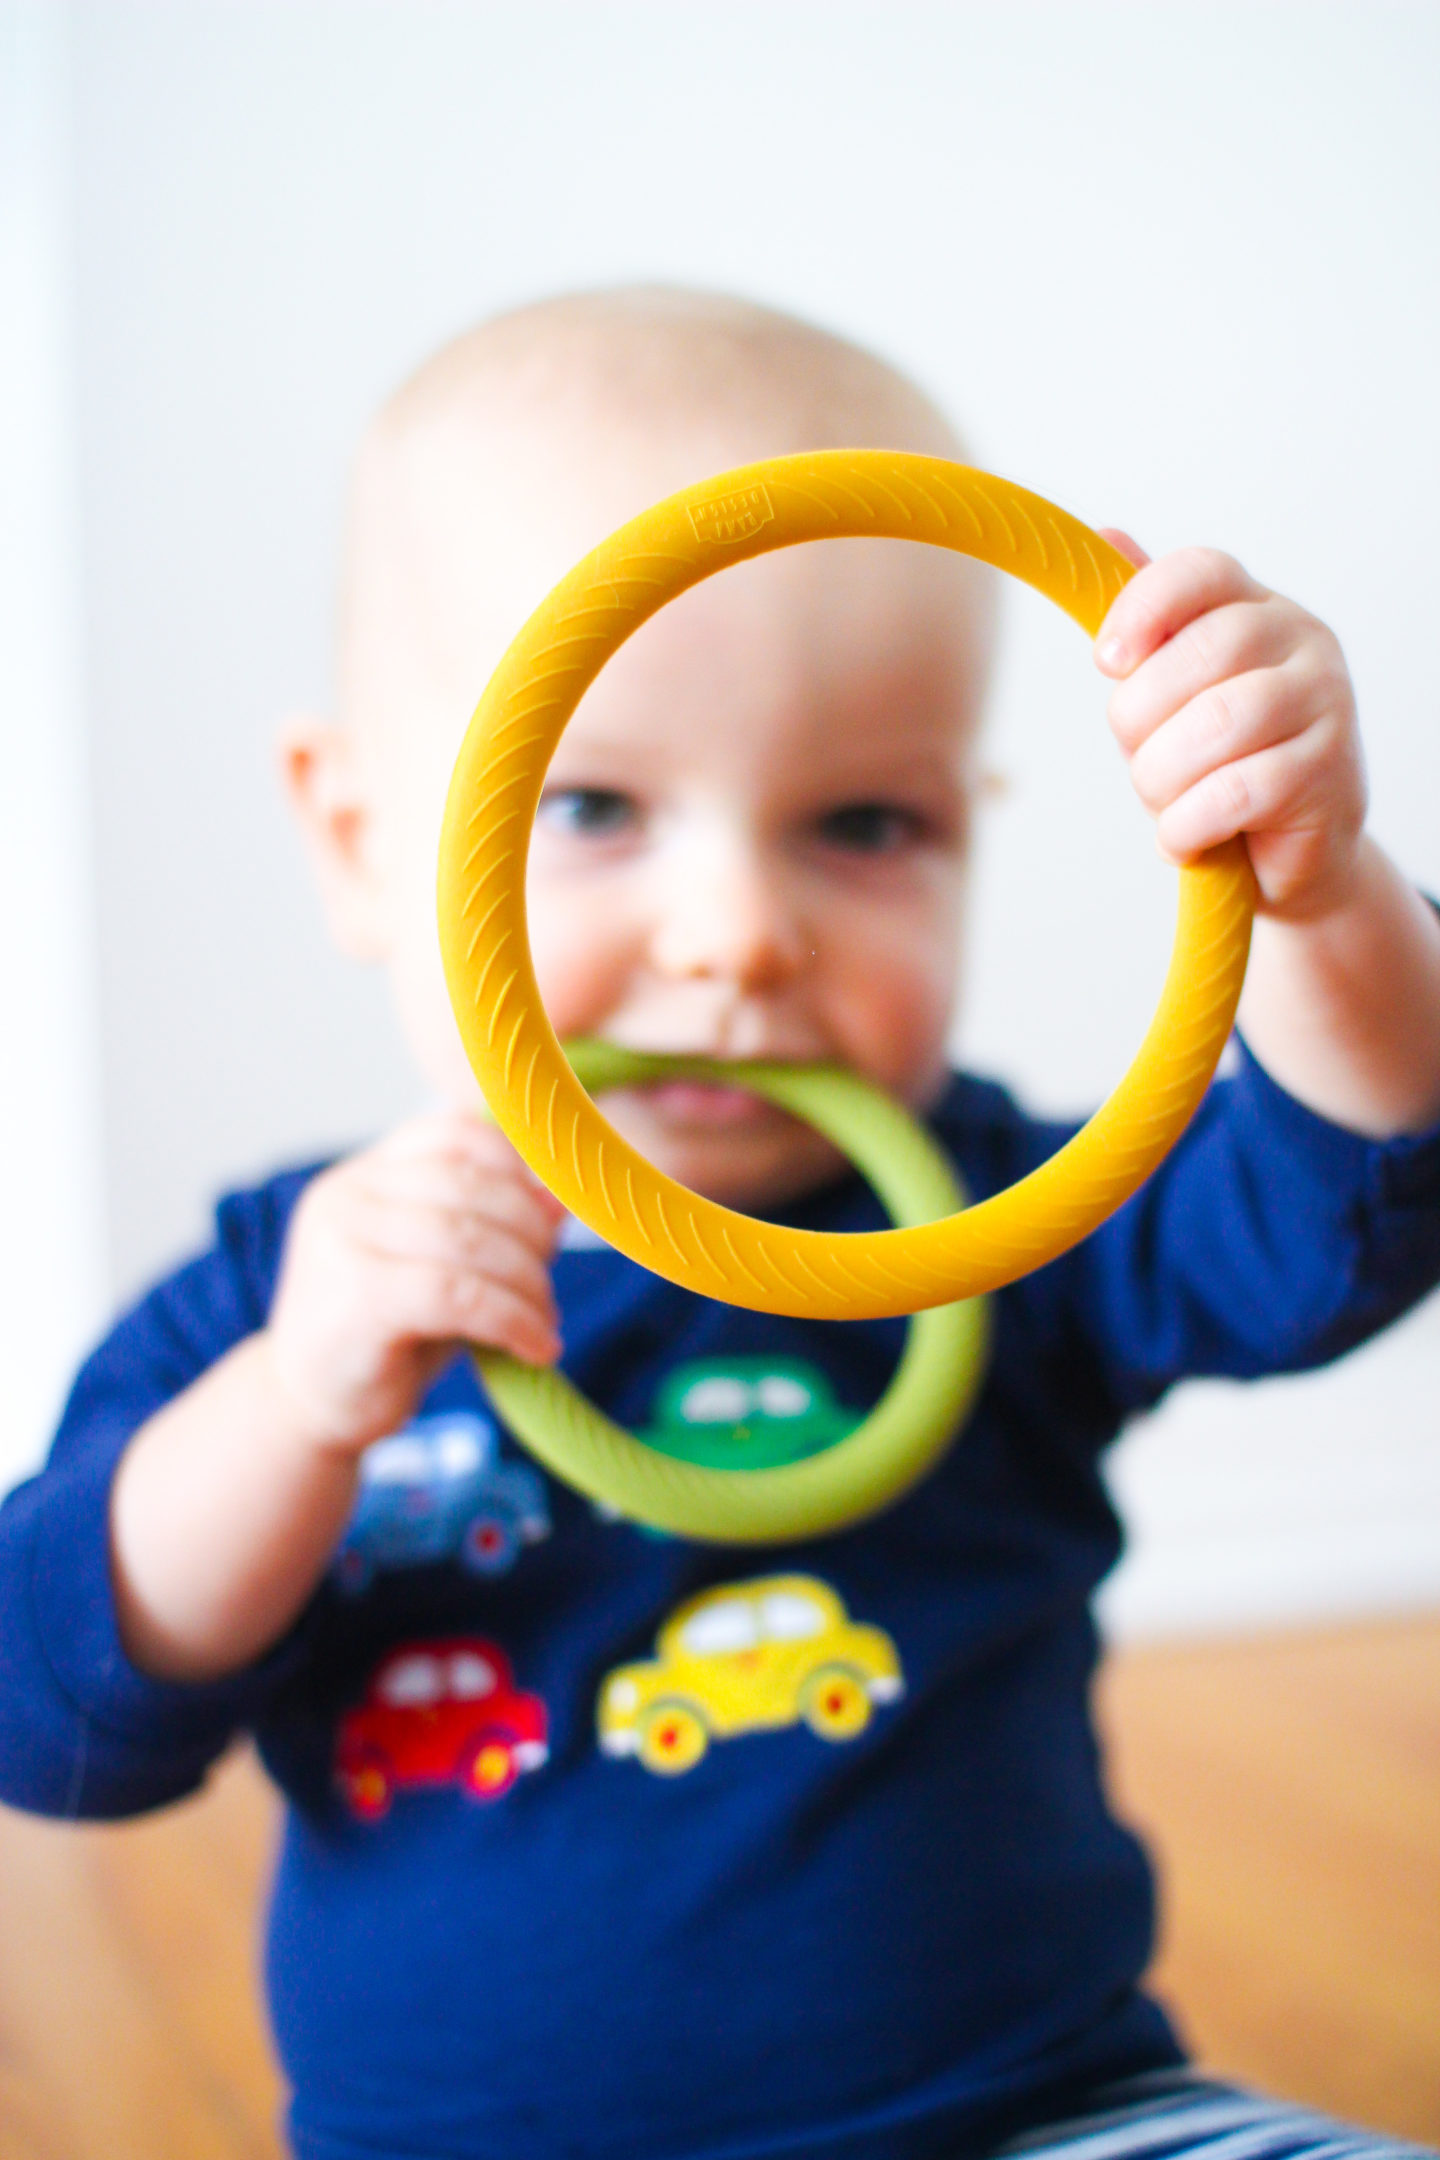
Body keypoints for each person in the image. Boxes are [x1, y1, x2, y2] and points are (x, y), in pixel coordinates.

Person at [2, 287, 1438, 2160]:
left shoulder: (997, 1218)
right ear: (360, 840)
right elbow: (58, 1714)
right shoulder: (299, 1294)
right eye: (594, 804)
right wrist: (294, 1405)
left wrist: (1321, 900)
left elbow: (1348, 1202)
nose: (740, 935)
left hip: (1048, 2119)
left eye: (863, 825)